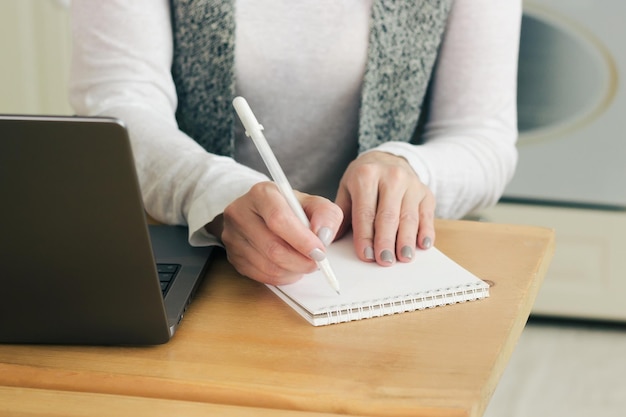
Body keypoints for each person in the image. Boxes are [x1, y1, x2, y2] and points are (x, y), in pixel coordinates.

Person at [70, 0, 521, 286]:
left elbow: (483, 135)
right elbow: (119, 103)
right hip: (195, 262)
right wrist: (216, 193)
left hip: (389, 276)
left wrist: (409, 168)